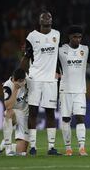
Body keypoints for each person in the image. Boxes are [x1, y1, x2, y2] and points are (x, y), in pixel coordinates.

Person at [20, 10, 61, 155]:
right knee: (33, 112)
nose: (46, 19)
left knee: (50, 113)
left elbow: (59, 55)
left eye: (49, 16)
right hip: (35, 79)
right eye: (43, 17)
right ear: (39, 21)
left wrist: (59, 70)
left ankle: (51, 147)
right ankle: (32, 146)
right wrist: (21, 75)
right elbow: (26, 56)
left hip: (50, 80)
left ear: (52, 20)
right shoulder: (32, 36)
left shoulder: (57, 34)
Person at [58, 25, 90, 156]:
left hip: (80, 91)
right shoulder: (61, 50)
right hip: (65, 90)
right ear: (69, 37)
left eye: (79, 37)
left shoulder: (85, 50)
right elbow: (52, 63)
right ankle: (68, 148)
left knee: (80, 118)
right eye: (75, 37)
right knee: (66, 119)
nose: (77, 39)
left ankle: (82, 147)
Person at [0, 68, 29, 156]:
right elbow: (8, 106)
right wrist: (15, 89)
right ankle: (8, 148)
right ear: (13, 78)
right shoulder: (8, 85)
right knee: (8, 113)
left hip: (25, 116)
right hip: (15, 113)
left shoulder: (28, 80)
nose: (18, 82)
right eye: (15, 81)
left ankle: (4, 143)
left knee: (21, 152)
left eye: (21, 81)